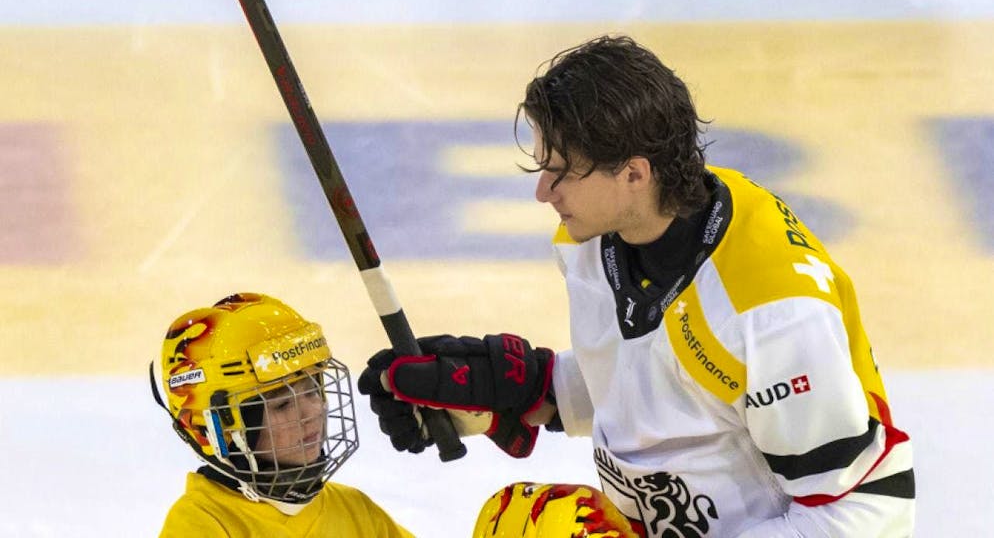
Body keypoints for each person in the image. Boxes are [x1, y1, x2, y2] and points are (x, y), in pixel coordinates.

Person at [359, 35, 915, 537]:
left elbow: (865, 513)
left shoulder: (771, 312)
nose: (543, 193)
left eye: (559, 172)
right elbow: (672, 381)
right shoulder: (597, 236)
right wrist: (527, 392)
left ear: (634, 173)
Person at [150, 292, 413, 538]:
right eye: (282, 404)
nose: (312, 411)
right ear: (216, 426)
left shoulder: (357, 512)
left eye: (313, 390)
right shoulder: (201, 524)